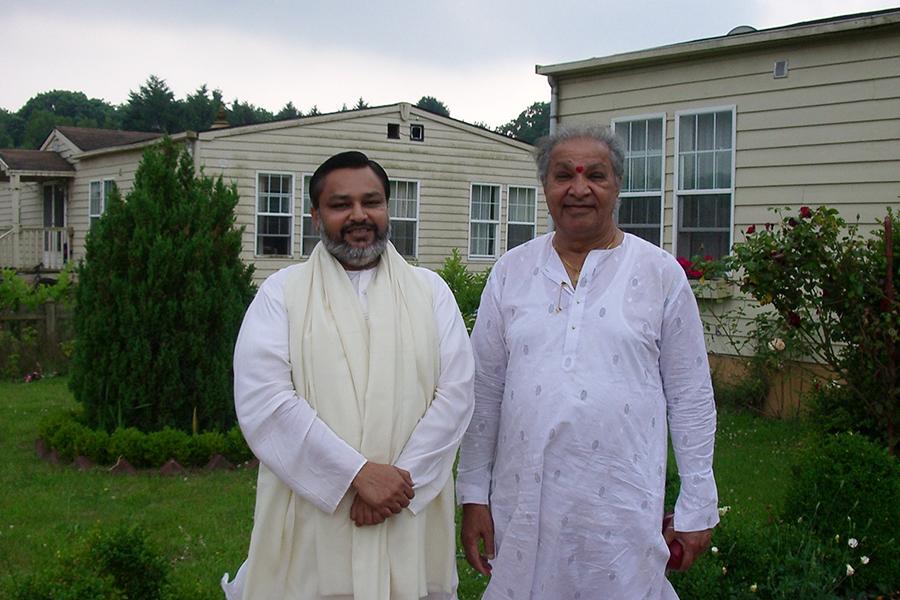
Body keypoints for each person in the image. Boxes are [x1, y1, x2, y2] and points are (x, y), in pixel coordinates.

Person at [456, 125, 719, 599]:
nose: (579, 189)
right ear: (546, 188)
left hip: (620, 507)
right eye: (563, 176)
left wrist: (699, 502)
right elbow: (485, 391)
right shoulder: (511, 273)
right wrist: (474, 492)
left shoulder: (659, 275)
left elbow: (691, 397)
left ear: (617, 185)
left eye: (595, 175)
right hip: (525, 503)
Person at [222, 151, 475, 600]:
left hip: (405, 511)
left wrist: (397, 485)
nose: (359, 215)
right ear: (316, 214)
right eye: (341, 205)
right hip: (317, 511)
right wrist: (356, 476)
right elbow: (266, 401)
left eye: (371, 201)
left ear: (387, 208)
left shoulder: (430, 292)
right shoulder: (282, 294)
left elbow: (454, 395)